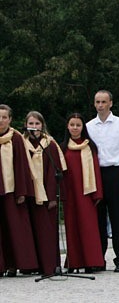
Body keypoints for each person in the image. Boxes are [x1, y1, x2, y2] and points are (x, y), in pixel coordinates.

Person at [86, 90, 119, 273]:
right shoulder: (89, 126)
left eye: (103, 102)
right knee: (98, 219)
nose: (100, 105)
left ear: (110, 103)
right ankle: (98, 258)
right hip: (96, 174)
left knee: (117, 218)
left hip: (115, 173)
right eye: (97, 102)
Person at [60, 113, 105, 273]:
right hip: (70, 193)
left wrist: (98, 193)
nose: (75, 128)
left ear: (82, 127)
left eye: (78, 125)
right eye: (72, 125)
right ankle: (74, 262)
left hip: (86, 193)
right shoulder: (63, 147)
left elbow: (96, 170)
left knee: (88, 227)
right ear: (67, 126)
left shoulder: (89, 147)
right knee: (71, 227)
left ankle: (91, 261)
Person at [23, 111, 66, 276]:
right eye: (31, 124)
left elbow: (53, 172)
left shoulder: (50, 144)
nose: (34, 127)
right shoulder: (22, 142)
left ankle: (49, 265)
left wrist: (52, 196)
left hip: (45, 195)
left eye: (37, 124)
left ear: (42, 125)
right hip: (28, 193)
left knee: (46, 231)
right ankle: (31, 266)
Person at [0, 104, 38, 276]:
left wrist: (22, 192)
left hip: (12, 191)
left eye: (4, 117)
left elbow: (22, 166)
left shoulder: (15, 138)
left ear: (10, 119)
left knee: (15, 228)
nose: (1, 121)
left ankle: (15, 264)